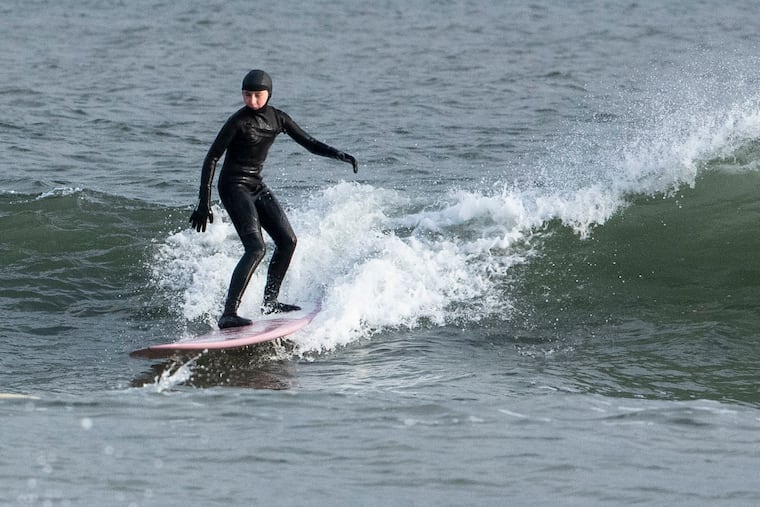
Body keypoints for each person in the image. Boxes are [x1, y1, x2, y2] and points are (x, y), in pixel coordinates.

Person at [189, 69, 358, 329]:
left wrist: (339, 155)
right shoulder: (238, 122)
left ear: (268, 94)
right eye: (247, 95)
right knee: (256, 248)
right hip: (233, 186)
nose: (252, 101)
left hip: (256, 185)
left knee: (288, 241)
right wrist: (204, 203)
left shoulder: (278, 118)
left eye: (258, 95)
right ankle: (228, 312)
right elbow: (212, 157)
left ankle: (270, 301)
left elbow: (309, 142)